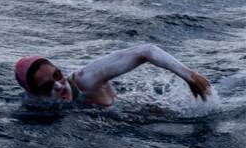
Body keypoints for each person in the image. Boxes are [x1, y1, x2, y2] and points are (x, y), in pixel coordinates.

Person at [14, 43, 212, 106]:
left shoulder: (85, 79)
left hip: (140, 117)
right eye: (47, 87)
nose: (59, 86)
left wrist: (189, 76)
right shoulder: (34, 107)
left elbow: (145, 51)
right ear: (33, 94)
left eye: (58, 75)